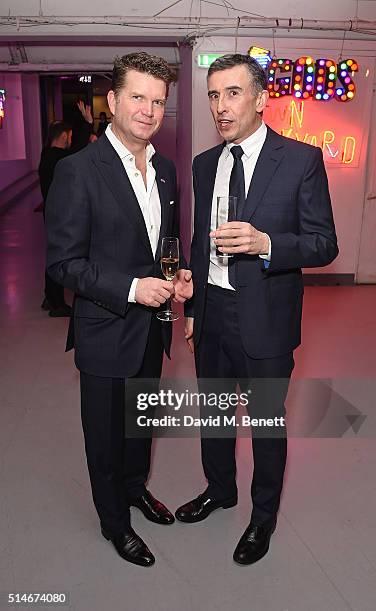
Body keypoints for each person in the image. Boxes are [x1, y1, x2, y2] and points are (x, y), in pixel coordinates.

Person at [175, 54, 338, 566]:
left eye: (232, 93)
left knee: (266, 422)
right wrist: (197, 305)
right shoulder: (205, 165)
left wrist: (268, 243)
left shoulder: (300, 160)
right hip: (214, 312)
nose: (220, 107)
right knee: (215, 413)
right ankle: (220, 490)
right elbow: (202, 240)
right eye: (213, 95)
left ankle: (262, 516)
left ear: (261, 99)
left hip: (266, 314)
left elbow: (323, 244)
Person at [46, 52, 192, 567]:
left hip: (152, 331)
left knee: (139, 425)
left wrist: (179, 274)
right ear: (112, 101)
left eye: (158, 101)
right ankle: (115, 522)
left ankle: (134, 489)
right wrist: (133, 288)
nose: (149, 111)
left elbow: (167, 241)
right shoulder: (77, 171)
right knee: (105, 439)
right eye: (138, 97)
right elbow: (65, 264)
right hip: (106, 332)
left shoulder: (168, 171)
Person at [38, 120, 73, 317]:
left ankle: (49, 297)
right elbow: (77, 155)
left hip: (52, 213)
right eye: (69, 137)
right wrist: (86, 127)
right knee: (59, 258)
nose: (71, 141)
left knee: (54, 254)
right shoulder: (57, 158)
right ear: (63, 137)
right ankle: (56, 304)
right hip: (58, 215)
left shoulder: (47, 154)